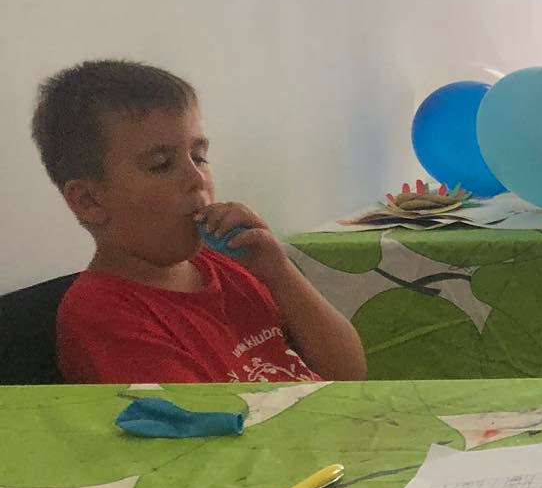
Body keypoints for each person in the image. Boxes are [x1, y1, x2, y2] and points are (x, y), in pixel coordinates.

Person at [31, 59, 367, 385]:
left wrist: (279, 271)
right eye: (161, 165)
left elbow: (349, 374)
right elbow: (200, 422)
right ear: (89, 201)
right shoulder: (104, 314)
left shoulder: (231, 266)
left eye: (199, 157)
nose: (197, 179)